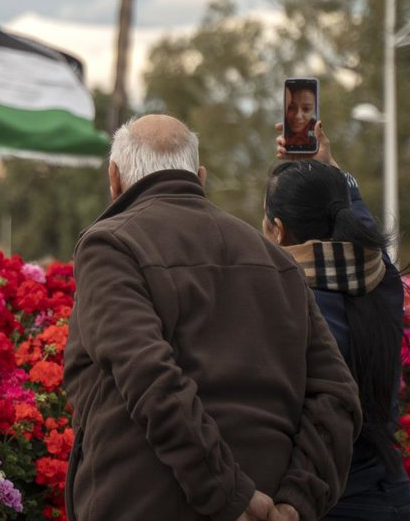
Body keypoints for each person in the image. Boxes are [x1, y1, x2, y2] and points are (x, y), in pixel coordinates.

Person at [64, 114, 361, 521]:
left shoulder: (112, 245)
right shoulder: (276, 259)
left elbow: (147, 374)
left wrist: (229, 495)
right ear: (200, 177)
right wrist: (296, 501)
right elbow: (337, 393)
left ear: (114, 178)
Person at [267, 121, 410, 520]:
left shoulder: (289, 305)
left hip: (329, 502)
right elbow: (362, 231)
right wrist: (333, 168)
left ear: (278, 231)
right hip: (392, 495)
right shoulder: (382, 280)